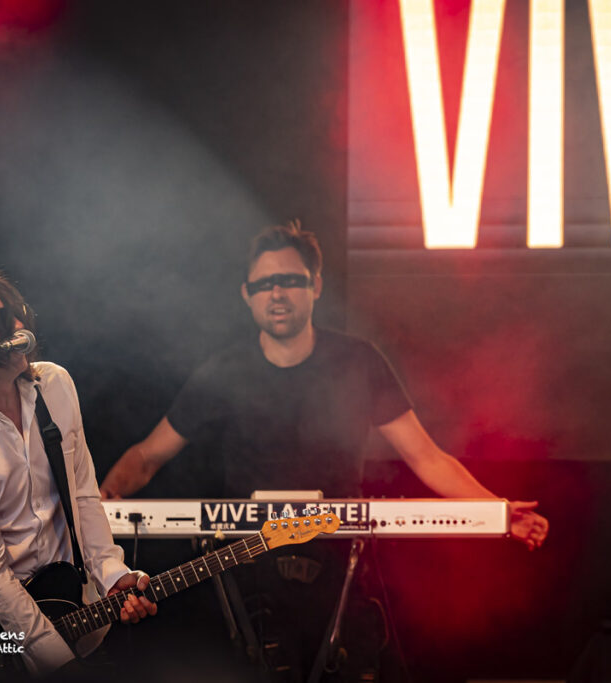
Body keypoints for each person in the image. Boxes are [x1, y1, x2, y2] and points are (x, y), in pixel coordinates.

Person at [99, 221, 548, 680]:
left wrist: (496, 511)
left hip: (339, 570)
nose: (277, 293)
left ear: (315, 285)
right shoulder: (224, 372)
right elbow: (148, 456)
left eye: (289, 280)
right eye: (264, 284)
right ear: (246, 294)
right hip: (249, 572)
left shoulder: (358, 361)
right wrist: (100, 505)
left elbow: (427, 457)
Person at [0, 269, 156, 678]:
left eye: (17, 311)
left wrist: (113, 575)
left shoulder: (54, 386)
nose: (18, 325)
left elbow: (83, 495)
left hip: (77, 622)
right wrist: (60, 666)